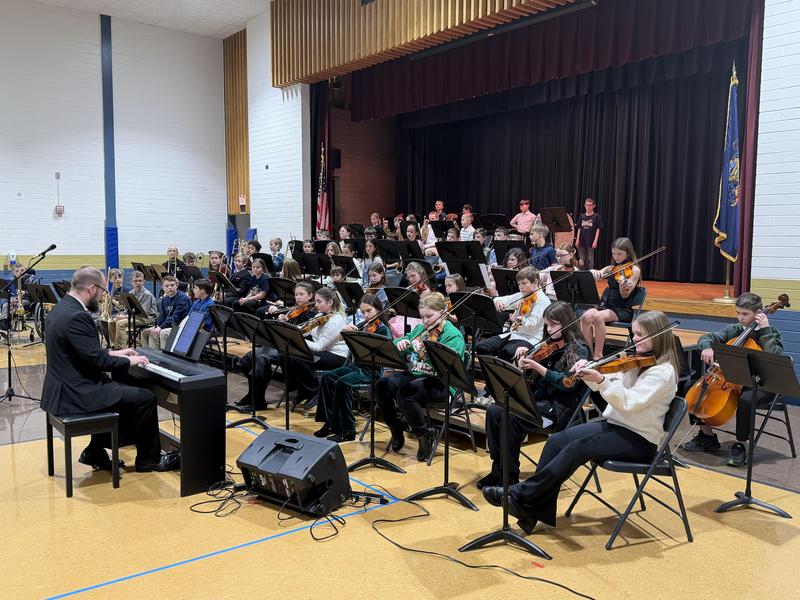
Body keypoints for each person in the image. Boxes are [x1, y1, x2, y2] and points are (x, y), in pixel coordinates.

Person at [482, 310, 679, 533]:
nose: (634, 339)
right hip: (616, 426)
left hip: (639, 439)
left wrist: (602, 380)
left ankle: (521, 493)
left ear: (657, 335)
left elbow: (629, 403)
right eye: (633, 334)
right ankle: (530, 511)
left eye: (640, 335)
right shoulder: (636, 362)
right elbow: (606, 387)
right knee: (556, 441)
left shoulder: (663, 373)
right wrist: (589, 373)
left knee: (577, 449)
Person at [40, 266, 178, 472]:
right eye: (103, 291)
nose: (103, 296)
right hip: (76, 392)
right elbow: (97, 362)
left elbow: (82, 352)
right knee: (145, 398)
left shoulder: (60, 310)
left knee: (120, 389)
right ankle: (149, 460)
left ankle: (95, 451)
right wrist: (130, 361)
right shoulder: (78, 316)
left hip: (61, 387)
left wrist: (117, 353)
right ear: (91, 289)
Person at [476, 301, 590, 489]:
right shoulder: (547, 344)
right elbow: (532, 380)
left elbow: (566, 385)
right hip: (537, 401)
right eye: (547, 324)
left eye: (553, 324)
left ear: (566, 322)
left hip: (559, 408)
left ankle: (509, 476)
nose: (549, 329)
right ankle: (499, 469)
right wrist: (524, 361)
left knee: (510, 417)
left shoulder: (579, 349)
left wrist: (538, 367)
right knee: (494, 410)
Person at [680, 292, 784, 467]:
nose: (740, 318)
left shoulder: (771, 332)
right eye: (738, 313)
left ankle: (740, 444)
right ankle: (707, 436)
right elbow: (707, 338)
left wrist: (765, 329)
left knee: (746, 399)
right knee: (692, 387)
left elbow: (776, 357)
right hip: (731, 380)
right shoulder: (736, 329)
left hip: (761, 383)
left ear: (758, 313)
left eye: (745, 314)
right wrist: (707, 347)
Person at [375, 292, 466, 460]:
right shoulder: (421, 329)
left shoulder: (453, 336)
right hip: (417, 374)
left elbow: (446, 368)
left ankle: (424, 434)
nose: (425, 321)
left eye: (429, 316)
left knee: (405, 393)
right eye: (422, 317)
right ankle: (396, 428)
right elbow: (399, 344)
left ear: (443, 312)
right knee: (382, 385)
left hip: (442, 383)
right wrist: (401, 344)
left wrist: (426, 351)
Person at [313, 293, 393, 442]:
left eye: (369, 311)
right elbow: (343, 342)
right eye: (363, 312)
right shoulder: (365, 325)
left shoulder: (383, 330)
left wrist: (356, 336)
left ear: (378, 309)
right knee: (327, 378)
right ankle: (329, 422)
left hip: (371, 371)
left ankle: (348, 429)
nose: (366, 315)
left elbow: (378, 357)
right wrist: (344, 333)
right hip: (356, 366)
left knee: (343, 383)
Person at [235, 281, 317, 410]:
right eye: (296, 294)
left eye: (301, 294)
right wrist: (278, 317)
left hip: (292, 350)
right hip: (279, 344)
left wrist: (286, 325)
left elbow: (301, 336)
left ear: (310, 296)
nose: (298, 297)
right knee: (246, 360)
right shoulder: (293, 310)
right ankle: (253, 395)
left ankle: (257, 401)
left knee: (262, 359)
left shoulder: (312, 314)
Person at [581, 237, 641, 360]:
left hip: (622, 309)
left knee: (598, 317)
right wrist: (594, 273)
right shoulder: (611, 268)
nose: (616, 257)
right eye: (613, 254)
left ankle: (598, 355)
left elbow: (625, 296)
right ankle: (588, 353)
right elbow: (599, 273)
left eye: (619, 254)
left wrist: (623, 286)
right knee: (586, 316)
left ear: (628, 253)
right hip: (607, 307)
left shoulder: (635, 270)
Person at [476, 266, 550, 362]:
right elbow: (501, 299)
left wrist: (518, 320)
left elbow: (532, 323)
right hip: (513, 334)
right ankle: (489, 370)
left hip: (530, 338)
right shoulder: (522, 295)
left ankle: (501, 370)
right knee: (481, 347)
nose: (521, 287)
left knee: (507, 352)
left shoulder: (542, 300)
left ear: (535, 282)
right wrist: (499, 301)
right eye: (519, 284)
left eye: (524, 283)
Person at [157, 279, 214, 348]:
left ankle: (167, 353)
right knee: (161, 332)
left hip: (201, 332)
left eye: (195, 288)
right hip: (190, 328)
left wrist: (184, 332)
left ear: (202, 290)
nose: (193, 290)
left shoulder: (210, 305)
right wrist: (180, 328)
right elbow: (187, 318)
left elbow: (201, 325)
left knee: (164, 333)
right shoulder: (197, 302)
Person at [108, 270, 158, 349]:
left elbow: (142, 313)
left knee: (120, 323)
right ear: (131, 282)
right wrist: (120, 315)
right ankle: (113, 346)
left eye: (140, 281)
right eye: (135, 281)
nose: (138, 283)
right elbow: (126, 309)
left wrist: (124, 317)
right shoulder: (130, 293)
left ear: (143, 282)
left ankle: (122, 348)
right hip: (135, 317)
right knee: (111, 322)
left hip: (147, 318)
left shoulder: (146, 294)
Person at [141, 275, 190, 349]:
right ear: (162, 288)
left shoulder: (183, 298)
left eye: (172, 285)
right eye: (167, 286)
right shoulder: (164, 299)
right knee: (148, 332)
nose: (170, 288)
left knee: (162, 333)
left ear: (177, 285)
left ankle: (162, 355)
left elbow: (175, 317)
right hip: (169, 325)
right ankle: (150, 354)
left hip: (179, 325)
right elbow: (163, 316)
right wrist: (157, 326)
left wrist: (161, 327)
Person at [575, 197, 603, 270]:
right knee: (582, 258)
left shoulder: (596, 216)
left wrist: (595, 241)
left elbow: (598, 229)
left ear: (594, 206)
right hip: (581, 241)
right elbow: (579, 228)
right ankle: (582, 273)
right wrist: (577, 240)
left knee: (590, 258)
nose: (588, 207)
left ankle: (590, 273)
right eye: (587, 205)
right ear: (584, 206)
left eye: (590, 205)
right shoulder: (582, 216)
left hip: (591, 241)